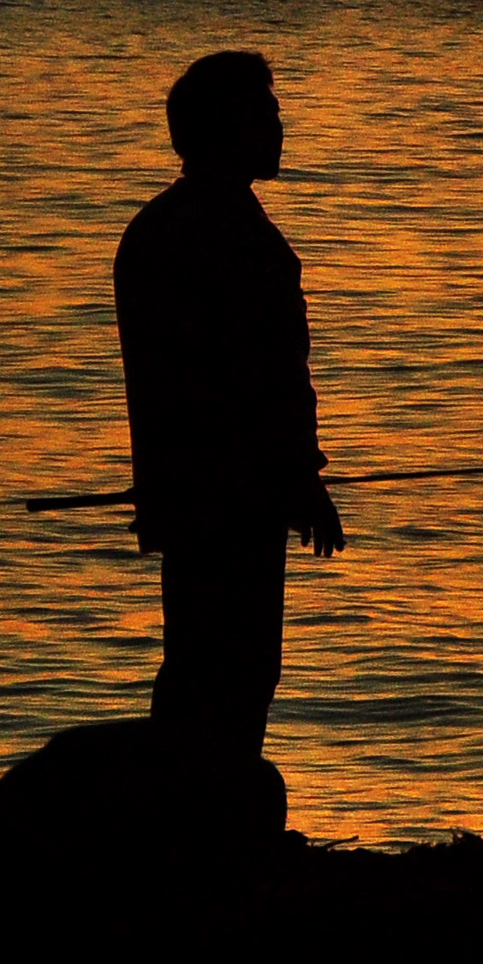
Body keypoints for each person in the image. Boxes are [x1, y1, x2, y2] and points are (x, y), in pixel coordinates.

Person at [116, 49, 344, 762]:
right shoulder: (239, 239)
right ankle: (212, 829)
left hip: (181, 493)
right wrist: (301, 479)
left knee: (193, 664)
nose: (281, 129)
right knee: (239, 669)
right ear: (230, 126)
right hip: (238, 499)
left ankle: (184, 819)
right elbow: (264, 377)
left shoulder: (154, 229)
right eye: (267, 115)